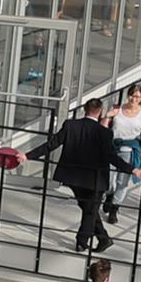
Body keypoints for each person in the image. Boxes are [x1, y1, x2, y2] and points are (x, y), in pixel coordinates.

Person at [47, 96, 119, 254]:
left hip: (74, 177)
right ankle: (82, 242)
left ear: (85, 110)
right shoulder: (104, 133)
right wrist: (131, 169)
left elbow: (52, 144)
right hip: (95, 179)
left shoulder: (70, 125)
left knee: (88, 208)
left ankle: (102, 238)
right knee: (90, 210)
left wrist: (27, 155)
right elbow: (111, 157)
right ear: (99, 112)